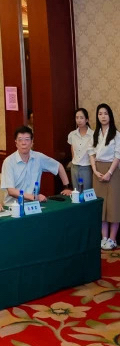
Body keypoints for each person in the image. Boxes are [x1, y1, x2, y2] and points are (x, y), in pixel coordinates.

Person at [0, 125, 72, 202]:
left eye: (27, 139)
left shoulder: (38, 157)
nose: (23, 143)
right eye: (20, 140)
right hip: (13, 205)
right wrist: (33, 197)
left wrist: (66, 187)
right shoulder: (9, 162)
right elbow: (11, 191)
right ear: (16, 143)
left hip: (33, 204)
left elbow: (59, 166)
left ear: (32, 142)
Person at [91, 103, 120, 250]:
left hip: (112, 171)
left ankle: (112, 239)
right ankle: (103, 237)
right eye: (100, 114)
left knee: (113, 205)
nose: (103, 116)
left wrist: (109, 173)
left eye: (106, 113)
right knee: (101, 204)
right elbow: (91, 153)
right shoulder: (95, 134)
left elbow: (118, 155)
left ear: (110, 116)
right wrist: (95, 171)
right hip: (98, 171)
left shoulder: (116, 134)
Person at [69, 107, 94, 189]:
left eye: (81, 118)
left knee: (86, 191)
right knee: (76, 191)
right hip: (74, 167)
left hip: (86, 167)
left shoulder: (93, 135)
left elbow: (94, 153)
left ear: (87, 119)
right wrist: (74, 162)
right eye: (77, 118)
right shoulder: (72, 134)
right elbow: (72, 150)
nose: (79, 120)